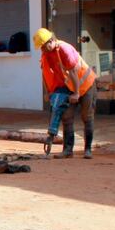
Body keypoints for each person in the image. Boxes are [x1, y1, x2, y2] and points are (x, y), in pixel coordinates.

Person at [33, 28, 97, 159]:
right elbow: (45, 74)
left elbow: (73, 72)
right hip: (68, 87)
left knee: (87, 116)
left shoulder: (64, 49)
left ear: (51, 41)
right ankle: (68, 150)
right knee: (66, 117)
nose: (42, 50)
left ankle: (88, 150)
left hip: (86, 85)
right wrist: (49, 93)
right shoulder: (46, 55)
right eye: (40, 48)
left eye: (43, 46)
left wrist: (77, 93)